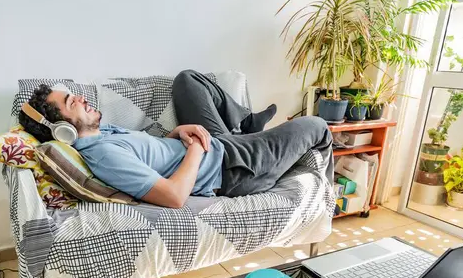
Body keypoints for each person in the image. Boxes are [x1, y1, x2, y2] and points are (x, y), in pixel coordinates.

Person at [19, 70, 332, 208]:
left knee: (188, 80)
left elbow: (150, 153)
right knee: (317, 125)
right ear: (63, 131)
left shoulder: (103, 132)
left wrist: (176, 133)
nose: (83, 99)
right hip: (231, 167)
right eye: (72, 103)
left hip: (211, 144)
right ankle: (327, 201)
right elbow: (173, 197)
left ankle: (247, 123)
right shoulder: (103, 156)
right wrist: (195, 148)